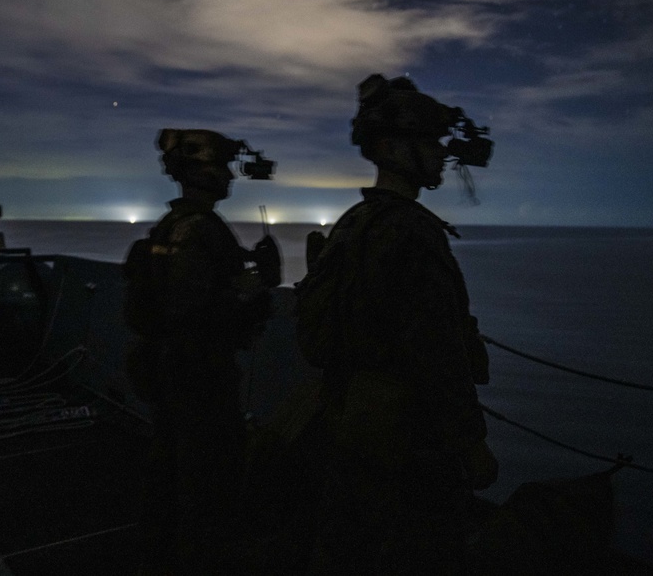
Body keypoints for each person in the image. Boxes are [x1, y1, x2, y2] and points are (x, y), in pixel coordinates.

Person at [298, 74, 498, 574]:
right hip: (408, 438)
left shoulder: (352, 224)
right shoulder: (411, 232)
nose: (440, 154)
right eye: (427, 142)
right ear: (392, 147)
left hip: (353, 421)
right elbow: (437, 352)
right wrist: (471, 443)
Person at [123, 128, 281, 574]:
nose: (229, 176)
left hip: (167, 368)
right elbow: (205, 310)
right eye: (222, 167)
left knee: (168, 468)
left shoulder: (169, 226)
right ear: (201, 172)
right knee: (207, 480)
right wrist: (262, 282)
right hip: (200, 374)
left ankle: (158, 552)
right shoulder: (203, 229)